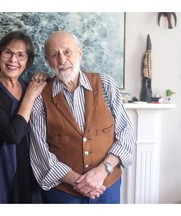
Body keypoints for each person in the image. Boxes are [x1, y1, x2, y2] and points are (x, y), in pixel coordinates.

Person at [29, 31, 136, 204]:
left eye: (67, 52)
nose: (62, 60)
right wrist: (79, 182)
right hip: (64, 193)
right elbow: (40, 152)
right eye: (55, 55)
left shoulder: (106, 84)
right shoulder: (41, 95)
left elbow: (126, 135)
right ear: (49, 62)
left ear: (80, 52)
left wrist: (102, 171)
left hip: (107, 188)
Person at [0, 31, 47, 203]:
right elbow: (12, 134)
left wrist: (44, 79)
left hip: (30, 174)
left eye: (21, 55)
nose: (13, 60)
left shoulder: (31, 86)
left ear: (27, 61)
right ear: (0, 55)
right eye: (8, 52)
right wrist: (29, 96)